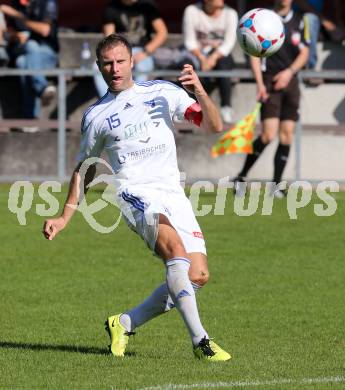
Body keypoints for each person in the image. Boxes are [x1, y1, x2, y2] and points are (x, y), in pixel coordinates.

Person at [43, 33, 231, 361]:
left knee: (196, 274)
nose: (115, 69)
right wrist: (64, 216)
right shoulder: (97, 116)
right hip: (134, 194)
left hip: (173, 192)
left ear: (132, 61)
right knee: (175, 251)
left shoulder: (161, 93)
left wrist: (199, 89)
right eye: (107, 63)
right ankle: (201, 342)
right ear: (99, 67)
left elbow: (213, 124)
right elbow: (84, 169)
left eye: (120, 61)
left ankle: (124, 322)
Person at [234, 0, 309, 198]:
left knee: (287, 134)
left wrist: (289, 72)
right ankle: (241, 177)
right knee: (268, 134)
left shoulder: (300, 21)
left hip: (290, 81)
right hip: (269, 81)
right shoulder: (261, 18)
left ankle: (276, 185)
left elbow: (305, 51)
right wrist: (259, 83)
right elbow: (254, 54)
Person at [0, 0, 58, 127]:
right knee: (29, 49)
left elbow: (45, 30)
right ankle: (42, 88)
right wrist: (15, 36)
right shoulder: (14, 4)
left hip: (46, 53)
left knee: (23, 62)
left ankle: (30, 119)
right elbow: (5, 35)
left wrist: (19, 16)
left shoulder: (47, 3)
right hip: (21, 48)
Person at [93, 0, 168, 98]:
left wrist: (145, 52)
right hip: (120, 52)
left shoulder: (148, 6)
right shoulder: (111, 9)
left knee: (142, 67)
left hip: (143, 51)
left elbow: (162, 33)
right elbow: (109, 40)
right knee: (96, 68)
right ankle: (110, 101)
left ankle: (137, 100)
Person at [182, 0, 238, 124]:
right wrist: (202, 58)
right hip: (197, 54)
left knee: (224, 63)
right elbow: (189, 42)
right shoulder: (191, 11)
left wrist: (212, 58)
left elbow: (228, 44)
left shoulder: (231, 13)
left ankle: (226, 107)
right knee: (187, 66)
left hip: (219, 56)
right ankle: (188, 108)